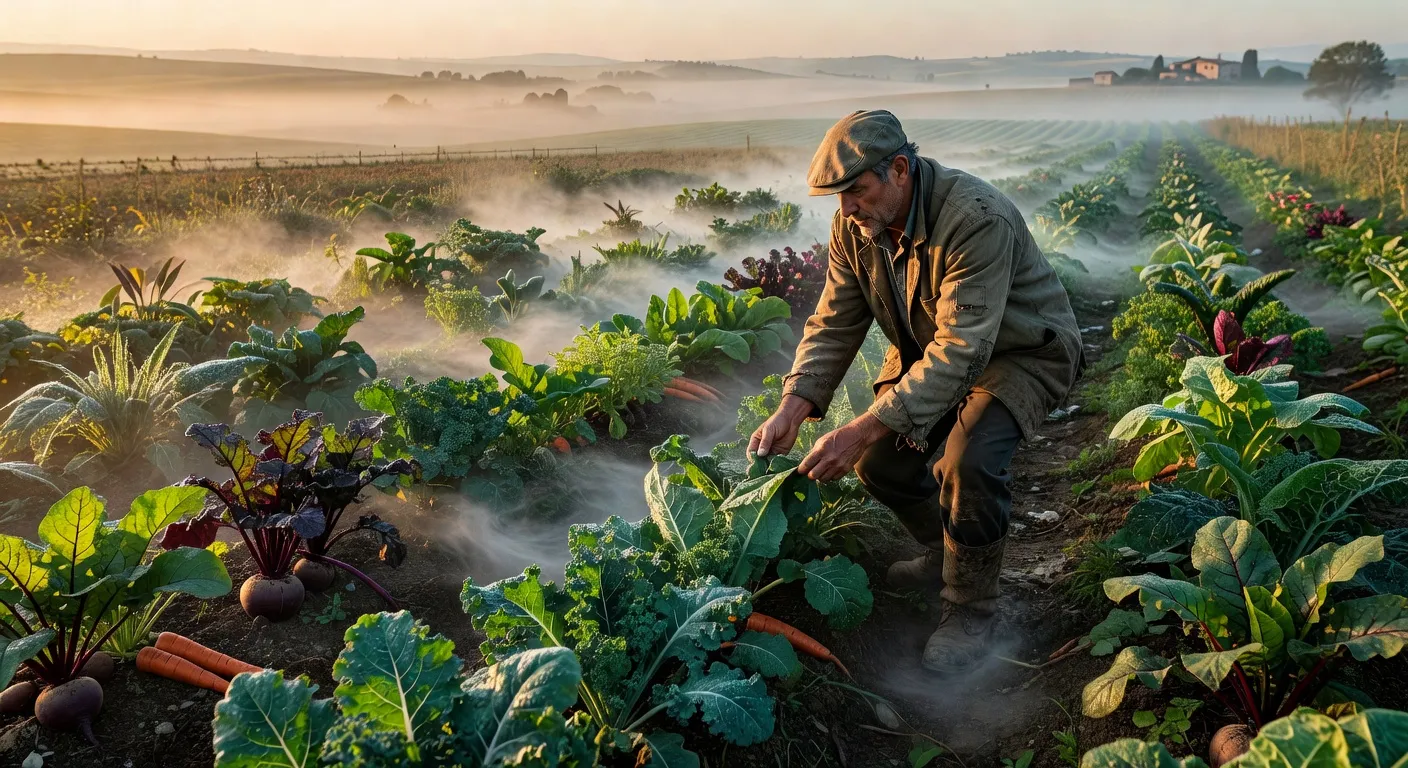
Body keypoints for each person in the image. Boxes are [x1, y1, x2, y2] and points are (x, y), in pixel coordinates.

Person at [748, 110, 1081, 674]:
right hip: (935, 352)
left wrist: (859, 426)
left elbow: (963, 351)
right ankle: (946, 553)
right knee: (880, 465)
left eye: (856, 191)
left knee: (969, 462)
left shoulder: (975, 218)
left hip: (1019, 352)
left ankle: (972, 609)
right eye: (837, 197)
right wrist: (794, 403)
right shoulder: (855, 227)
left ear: (899, 169)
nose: (846, 208)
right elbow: (834, 322)